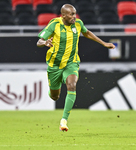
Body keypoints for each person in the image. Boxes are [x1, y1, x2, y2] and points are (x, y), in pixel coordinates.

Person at [36, 4, 115, 132]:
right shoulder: (54, 24)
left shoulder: (78, 24)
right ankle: (53, 90)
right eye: (71, 14)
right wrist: (45, 42)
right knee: (55, 96)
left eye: (75, 13)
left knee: (72, 86)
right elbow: (39, 41)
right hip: (55, 65)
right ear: (63, 15)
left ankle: (64, 120)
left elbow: (87, 33)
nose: (74, 16)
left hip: (71, 63)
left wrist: (104, 43)